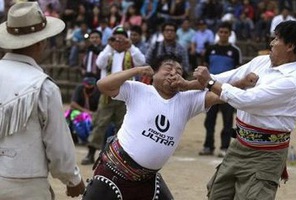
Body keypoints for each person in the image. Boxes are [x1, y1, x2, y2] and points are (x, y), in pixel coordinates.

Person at [81, 54, 256, 200]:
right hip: (114, 171)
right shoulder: (139, 90)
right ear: (153, 73)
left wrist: (242, 83)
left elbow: (220, 96)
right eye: (168, 68)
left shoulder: (188, 100)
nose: (173, 73)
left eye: (178, 71)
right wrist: (138, 70)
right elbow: (103, 85)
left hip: (148, 180)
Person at [193, 20, 296, 200]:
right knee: (217, 194)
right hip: (239, 144)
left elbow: (245, 100)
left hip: (266, 155)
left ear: (290, 46)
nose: (271, 42)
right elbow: (227, 77)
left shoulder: (293, 81)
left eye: (277, 39)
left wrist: (209, 82)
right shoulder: (262, 61)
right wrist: (187, 85)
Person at [0, 2, 85, 199]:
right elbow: (58, 146)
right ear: (40, 43)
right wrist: (73, 179)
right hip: (26, 182)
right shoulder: (43, 86)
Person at [81, 26, 146, 165]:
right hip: (107, 94)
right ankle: (91, 153)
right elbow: (99, 63)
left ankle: (122, 156)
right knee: (100, 123)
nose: (119, 40)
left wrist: (130, 45)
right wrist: (109, 46)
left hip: (127, 94)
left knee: (124, 125)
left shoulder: (130, 52)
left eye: (122, 37)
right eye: (116, 37)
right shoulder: (108, 53)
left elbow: (141, 61)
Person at [199, 21, 242, 157]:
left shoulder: (235, 51)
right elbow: (205, 68)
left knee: (228, 120)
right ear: (218, 33)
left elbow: (238, 71)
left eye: (226, 32)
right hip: (211, 89)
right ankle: (208, 146)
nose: (223, 34)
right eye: (221, 32)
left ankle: (224, 147)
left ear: (230, 34)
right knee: (209, 120)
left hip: (227, 90)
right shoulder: (210, 49)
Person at [65, 74, 101, 144]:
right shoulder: (79, 89)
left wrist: (93, 113)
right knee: (69, 115)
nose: (89, 87)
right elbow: (73, 104)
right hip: (80, 112)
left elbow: (100, 106)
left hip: (93, 114)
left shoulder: (98, 91)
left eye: (91, 85)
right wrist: (86, 111)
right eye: (87, 85)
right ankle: (73, 138)